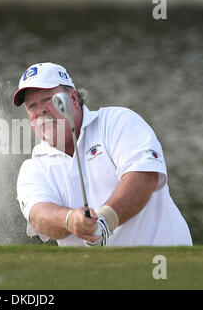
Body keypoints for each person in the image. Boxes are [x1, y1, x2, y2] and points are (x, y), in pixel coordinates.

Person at [14, 62, 192, 246]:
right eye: (31, 106)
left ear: (73, 98)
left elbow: (145, 176)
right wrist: (71, 221)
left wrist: (106, 221)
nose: (40, 110)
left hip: (165, 262)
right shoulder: (33, 167)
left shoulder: (118, 122)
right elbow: (39, 215)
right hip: (100, 273)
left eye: (48, 99)